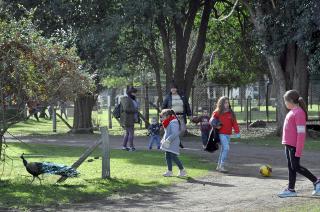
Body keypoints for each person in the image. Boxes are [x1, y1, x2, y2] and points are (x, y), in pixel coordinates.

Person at [278, 90, 320, 198]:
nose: (285, 103)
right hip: (288, 145)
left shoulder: (299, 113)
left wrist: (298, 150)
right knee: (291, 167)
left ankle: (316, 182)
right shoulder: (292, 111)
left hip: (294, 146)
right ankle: (291, 189)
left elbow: (301, 134)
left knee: (296, 166)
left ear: (291, 101)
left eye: (285, 101)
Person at [210, 96, 240, 172]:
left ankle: (218, 166)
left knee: (223, 149)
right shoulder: (217, 112)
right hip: (221, 134)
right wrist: (216, 125)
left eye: (228, 102)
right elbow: (211, 121)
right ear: (221, 103)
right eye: (225, 102)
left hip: (228, 134)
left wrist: (237, 132)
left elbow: (234, 123)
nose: (227, 104)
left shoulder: (231, 113)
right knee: (226, 148)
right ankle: (222, 165)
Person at [160, 109, 187, 177]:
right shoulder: (168, 122)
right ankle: (169, 171)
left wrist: (168, 140)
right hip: (168, 142)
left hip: (172, 142)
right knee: (167, 156)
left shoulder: (173, 122)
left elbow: (174, 133)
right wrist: (163, 140)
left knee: (173, 156)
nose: (162, 118)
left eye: (163, 116)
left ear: (168, 116)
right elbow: (167, 133)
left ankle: (182, 170)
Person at [119, 87, 139, 151]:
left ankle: (124, 146)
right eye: (134, 93)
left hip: (130, 118)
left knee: (127, 133)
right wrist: (135, 110)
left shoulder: (132, 99)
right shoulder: (127, 99)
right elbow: (126, 109)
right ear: (130, 93)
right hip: (128, 119)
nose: (135, 94)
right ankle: (131, 147)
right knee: (131, 133)